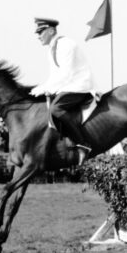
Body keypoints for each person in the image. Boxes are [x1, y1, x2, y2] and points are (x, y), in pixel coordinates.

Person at [29, 16, 96, 163]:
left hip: (79, 86)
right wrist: (41, 88)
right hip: (67, 86)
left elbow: (65, 74)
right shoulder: (51, 49)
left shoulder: (65, 44)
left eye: (41, 32)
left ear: (52, 31)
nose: (38, 36)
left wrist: (45, 88)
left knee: (56, 109)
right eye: (37, 33)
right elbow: (55, 76)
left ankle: (83, 145)